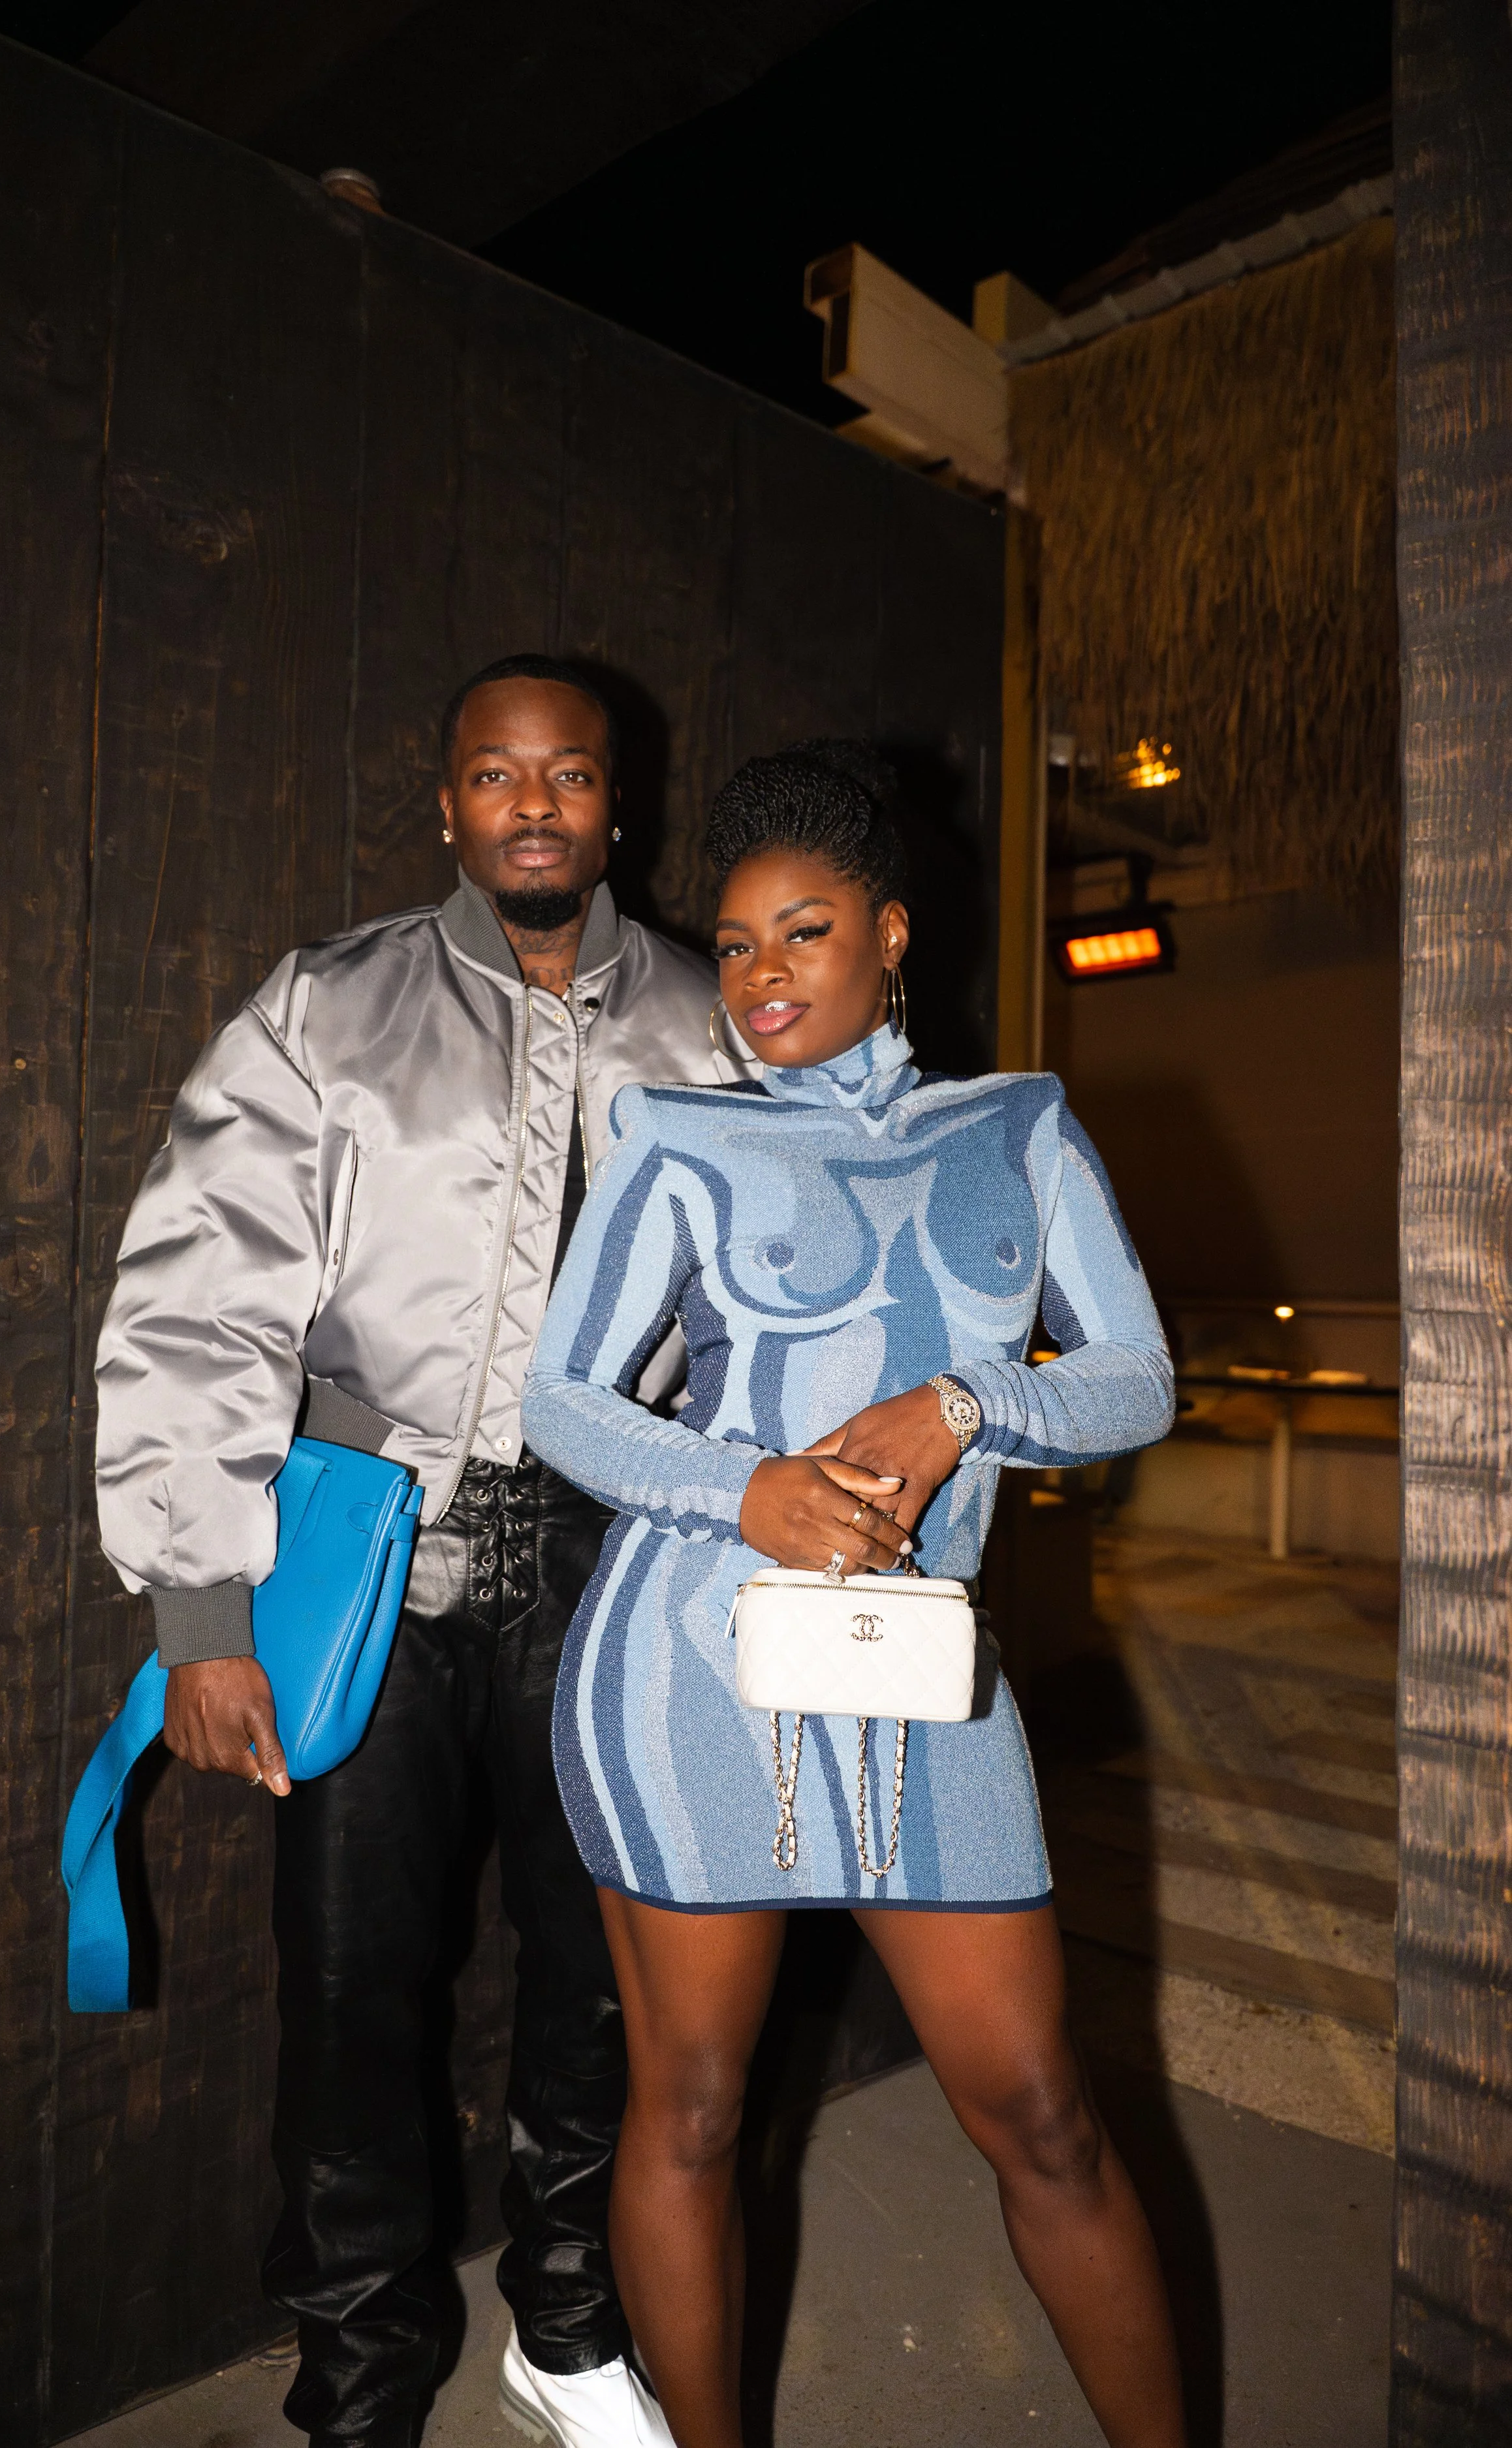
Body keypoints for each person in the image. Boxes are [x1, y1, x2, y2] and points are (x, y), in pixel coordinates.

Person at [94, 655, 749, 2448]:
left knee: (607, 1970)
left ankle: (564, 2321)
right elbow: (196, 1294)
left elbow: (773, 1317)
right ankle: (360, 2379)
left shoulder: (711, 1021)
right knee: (345, 1992)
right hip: (377, 1561)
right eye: (493, 773)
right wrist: (200, 1604)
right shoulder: (331, 1004)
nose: (531, 804)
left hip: (620, 1573)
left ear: (619, 805)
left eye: (568, 776)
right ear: (446, 800)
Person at [521, 740, 1187, 2448]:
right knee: (691, 2104)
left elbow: (1131, 1381)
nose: (757, 980)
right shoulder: (674, 1135)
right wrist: (739, 1479)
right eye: (733, 948)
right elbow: (563, 1402)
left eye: (799, 933)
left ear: (890, 934)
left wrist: (971, 1400)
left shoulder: (1021, 1126)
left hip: (925, 1673)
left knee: (1042, 2110)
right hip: (688, 1662)